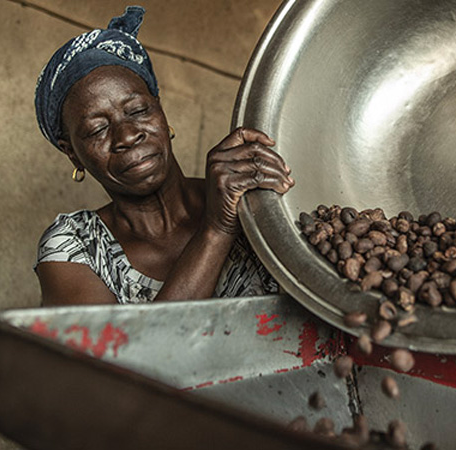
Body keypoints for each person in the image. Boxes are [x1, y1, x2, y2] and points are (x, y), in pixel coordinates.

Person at [34, 6, 293, 305]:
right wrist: (217, 229)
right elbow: (134, 351)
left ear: (160, 111)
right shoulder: (75, 248)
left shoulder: (251, 200)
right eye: (97, 130)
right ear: (72, 153)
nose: (128, 135)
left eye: (138, 111)